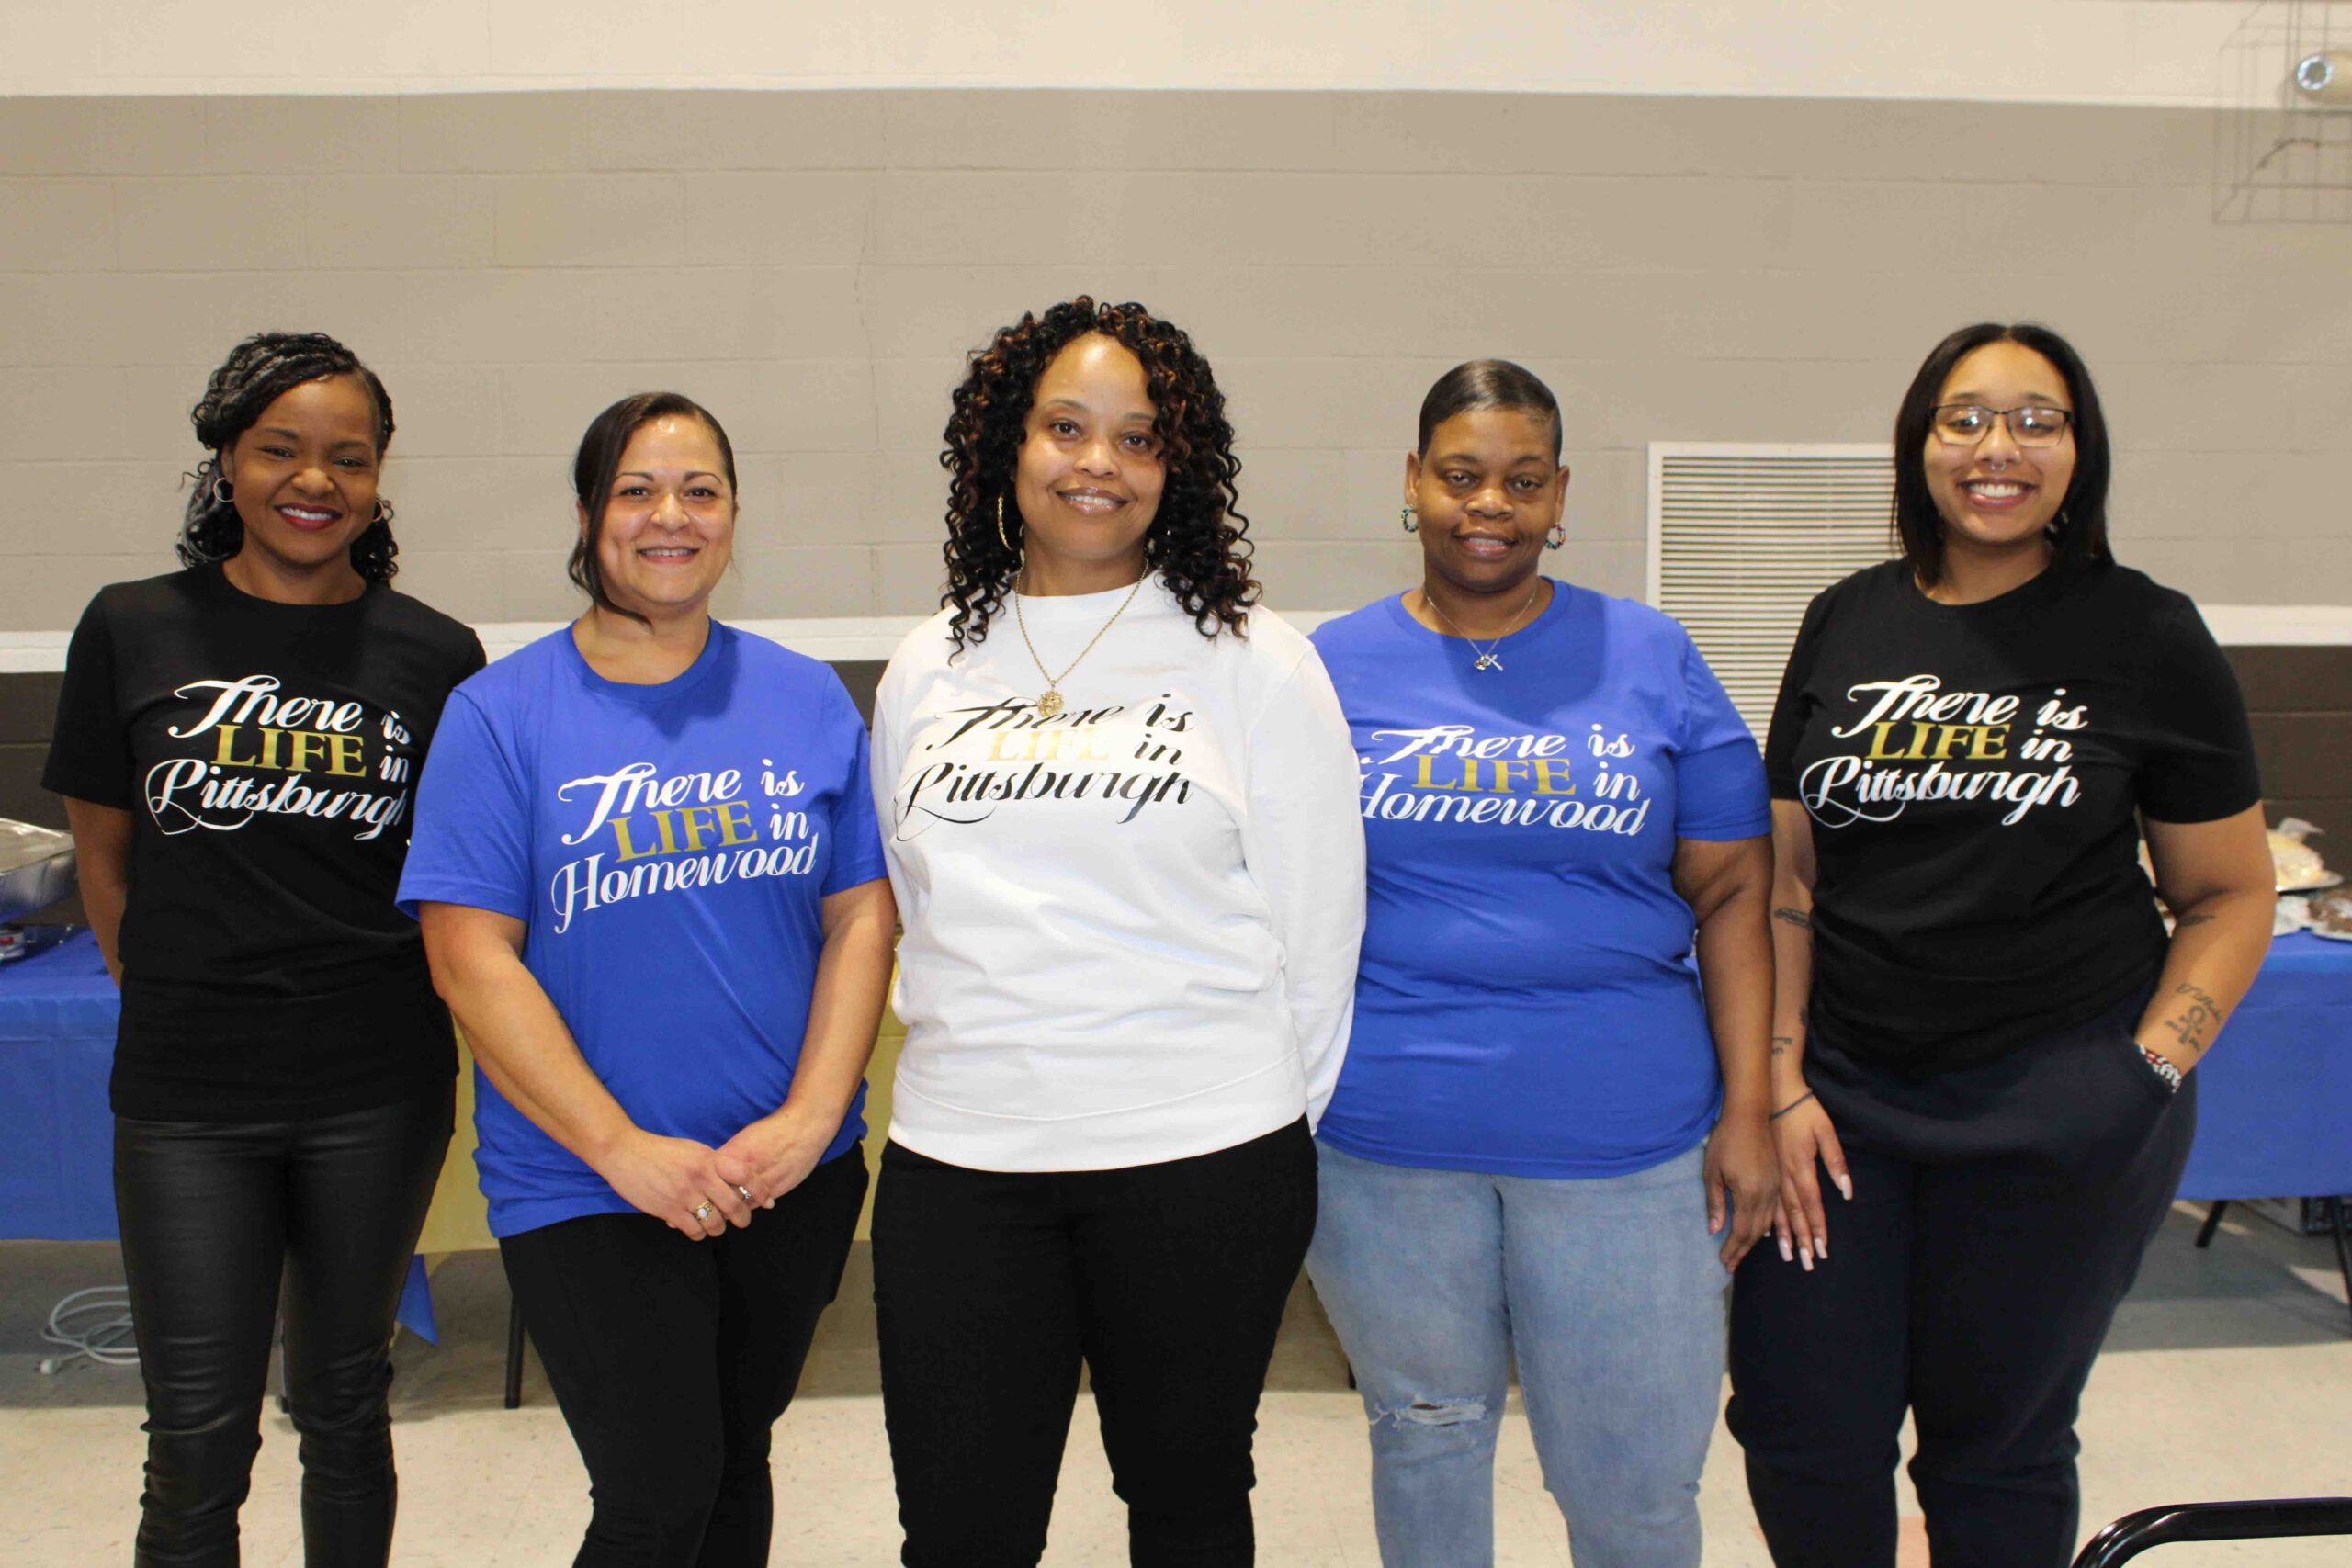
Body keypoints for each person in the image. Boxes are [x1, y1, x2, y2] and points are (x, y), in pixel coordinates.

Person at [1727, 323, 2275, 1568]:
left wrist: (2145, 1071)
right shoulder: (1847, 618)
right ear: (1919, 442)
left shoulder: (2145, 633)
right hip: (1843, 1106)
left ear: (2080, 452)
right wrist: (1781, 1074)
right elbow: (1788, 871)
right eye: (1966, 416)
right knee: (1802, 1429)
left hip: (2059, 1104)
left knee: (1997, 1448)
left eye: (2038, 420)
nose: (1999, 447)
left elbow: (2229, 895)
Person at [868, 296, 1366, 1566]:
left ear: (1175, 467)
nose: (1100, 461)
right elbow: (920, 904)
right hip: (963, 1159)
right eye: (1066, 427)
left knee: (1187, 1508)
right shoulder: (929, 666)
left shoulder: (1254, 660)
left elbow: (1320, 939)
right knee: (959, 1531)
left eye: (1138, 438)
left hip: (1201, 1156)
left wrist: (1251, 1126)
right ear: (1007, 446)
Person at [400, 392, 893, 1568]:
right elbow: (468, 957)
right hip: (585, 1184)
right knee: (657, 1495)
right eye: (636, 490)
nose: (670, 515)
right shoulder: (499, 715)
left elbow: (861, 915)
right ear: (587, 516)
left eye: (699, 491)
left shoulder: (805, 697)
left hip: (785, 1176)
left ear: (732, 516)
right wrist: (621, 1150)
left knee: (733, 1458)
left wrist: (810, 1121)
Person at [1305, 359, 1778, 1568]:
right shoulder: (1323, 669)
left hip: (1626, 1140)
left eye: (1522, 481)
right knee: (1425, 1441)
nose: (1489, 505)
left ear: (1559, 494)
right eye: (1460, 475)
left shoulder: (1652, 654)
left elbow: (1735, 890)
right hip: (1386, 1140)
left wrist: (1752, 1107)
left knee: (1632, 1484)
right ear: (1412, 482)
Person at [43, 331, 484, 1565]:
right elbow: (104, 859)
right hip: (188, 1092)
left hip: (377, 1081)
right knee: (195, 1436)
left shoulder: (436, 655)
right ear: (227, 461)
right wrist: (177, 985)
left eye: (350, 457)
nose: (314, 480)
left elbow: (456, 876)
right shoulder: (133, 626)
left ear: (380, 479)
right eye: (280, 449)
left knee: (344, 1406)